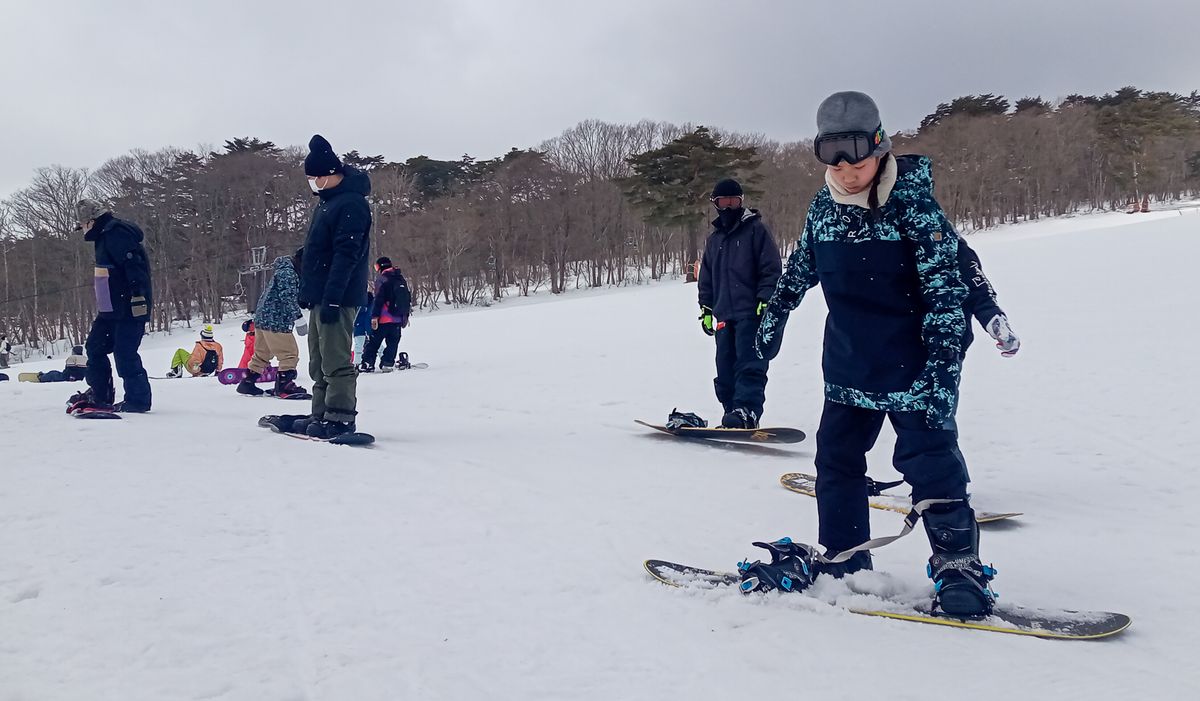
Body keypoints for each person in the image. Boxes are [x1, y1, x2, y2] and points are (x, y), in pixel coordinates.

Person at [748, 92, 997, 617]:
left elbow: (946, 293)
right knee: (836, 461)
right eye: (833, 162)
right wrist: (773, 317)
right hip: (847, 365)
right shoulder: (824, 206)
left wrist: (942, 375)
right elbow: (799, 270)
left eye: (857, 162)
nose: (846, 173)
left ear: (880, 147)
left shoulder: (914, 205)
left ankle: (959, 567)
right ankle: (844, 559)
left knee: (931, 465)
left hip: (913, 366)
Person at [287, 134, 371, 439]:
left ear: (331, 174)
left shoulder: (351, 204)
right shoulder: (327, 203)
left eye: (317, 178)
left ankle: (341, 416)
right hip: (321, 294)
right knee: (319, 359)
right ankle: (320, 413)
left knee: (336, 359)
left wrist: (334, 297)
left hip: (338, 295)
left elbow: (346, 254)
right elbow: (321, 249)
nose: (314, 184)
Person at [696, 178, 782, 429]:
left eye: (734, 201)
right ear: (716, 203)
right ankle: (731, 410)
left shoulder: (756, 231)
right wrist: (706, 308)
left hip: (750, 312)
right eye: (724, 202)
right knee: (725, 368)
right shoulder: (715, 240)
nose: (729, 206)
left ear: (741, 202)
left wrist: (765, 298)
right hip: (723, 314)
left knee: (749, 364)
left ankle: (747, 410)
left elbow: (771, 268)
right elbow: (707, 278)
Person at [66, 199, 153, 413]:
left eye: (83, 225)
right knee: (94, 347)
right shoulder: (103, 236)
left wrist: (137, 297)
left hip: (128, 306)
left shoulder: (116, 233)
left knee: (125, 353)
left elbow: (135, 268)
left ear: (91, 221)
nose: (83, 230)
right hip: (109, 307)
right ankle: (100, 393)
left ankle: (138, 400)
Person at [237, 251, 307, 397]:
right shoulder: (288, 273)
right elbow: (287, 296)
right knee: (289, 353)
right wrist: (298, 318)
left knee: (262, 354)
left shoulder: (283, 270)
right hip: (276, 319)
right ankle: (284, 385)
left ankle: (248, 382)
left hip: (263, 318)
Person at [359, 257, 411, 373]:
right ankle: (388, 362)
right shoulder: (400, 278)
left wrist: (374, 316)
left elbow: (379, 300)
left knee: (374, 342)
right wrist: (405, 315)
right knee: (393, 342)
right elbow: (406, 298)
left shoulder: (382, 279)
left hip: (383, 318)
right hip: (397, 318)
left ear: (380, 266)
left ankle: (367, 363)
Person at [353, 290, 372, 362]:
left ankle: (357, 363)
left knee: (359, 346)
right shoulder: (362, 304)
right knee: (359, 346)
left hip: (361, 326)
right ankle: (357, 363)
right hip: (360, 327)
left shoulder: (368, 303)